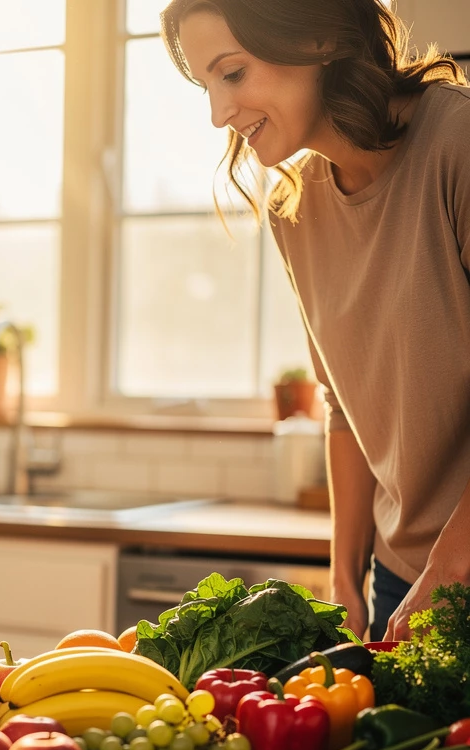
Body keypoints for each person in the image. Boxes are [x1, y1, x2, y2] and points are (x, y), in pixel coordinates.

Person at [159, 0, 470, 641]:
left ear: (319, 37)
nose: (218, 113)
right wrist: (344, 582)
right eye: (207, 85)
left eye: (233, 73)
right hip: (402, 577)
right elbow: (343, 406)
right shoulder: (294, 208)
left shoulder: (457, 144)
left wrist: (449, 570)